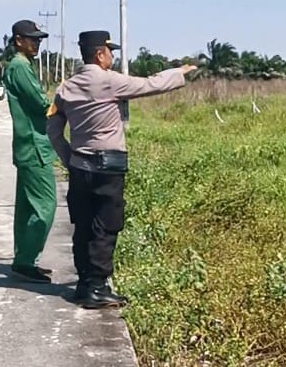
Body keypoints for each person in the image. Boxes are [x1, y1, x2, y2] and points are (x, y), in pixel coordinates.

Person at [47, 30, 196, 309]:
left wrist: (69, 159)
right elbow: (150, 84)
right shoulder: (109, 81)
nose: (112, 57)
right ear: (100, 54)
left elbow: (53, 130)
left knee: (83, 225)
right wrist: (178, 72)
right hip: (107, 167)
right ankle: (98, 288)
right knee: (105, 225)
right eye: (110, 52)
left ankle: (84, 284)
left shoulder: (65, 88)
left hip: (80, 165)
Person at [3, 19, 57, 284]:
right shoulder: (21, 67)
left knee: (26, 207)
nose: (36, 43)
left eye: (38, 39)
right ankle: (27, 260)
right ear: (18, 40)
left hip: (27, 144)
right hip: (34, 146)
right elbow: (41, 104)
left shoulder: (19, 66)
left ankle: (23, 259)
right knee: (46, 205)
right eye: (32, 39)